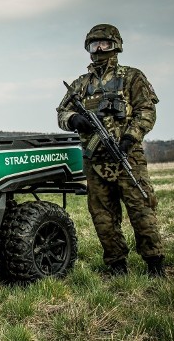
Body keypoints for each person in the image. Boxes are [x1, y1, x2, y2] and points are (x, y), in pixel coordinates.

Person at [56, 24, 165, 277]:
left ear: (116, 46)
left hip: (128, 157)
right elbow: (61, 112)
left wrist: (129, 138)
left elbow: (147, 111)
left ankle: (155, 262)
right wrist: (74, 120)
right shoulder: (80, 85)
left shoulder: (132, 77)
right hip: (95, 160)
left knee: (141, 210)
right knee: (102, 216)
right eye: (94, 45)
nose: (99, 49)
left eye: (105, 43)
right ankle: (117, 264)